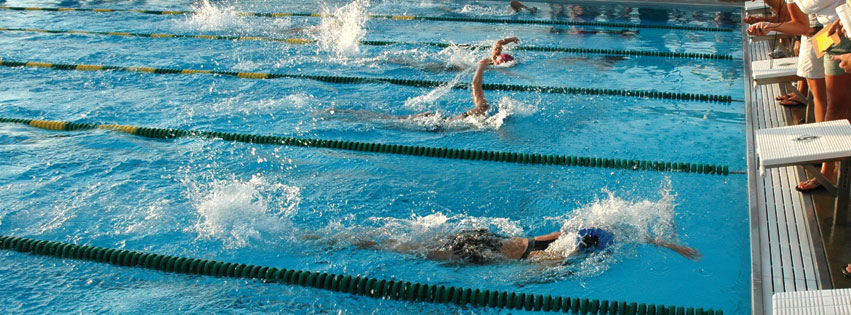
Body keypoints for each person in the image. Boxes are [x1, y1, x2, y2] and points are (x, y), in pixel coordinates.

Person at [748, 0, 851, 192]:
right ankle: (829, 167)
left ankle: (829, 171)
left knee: (837, 107)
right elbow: (802, 25)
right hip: (829, 36)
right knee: (836, 105)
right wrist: (770, 26)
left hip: (842, 34)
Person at [371, 227, 701, 265]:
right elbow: (527, 276)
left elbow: (629, 231)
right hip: (481, 253)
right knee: (403, 251)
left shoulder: (567, 232)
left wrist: (671, 245)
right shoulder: (561, 255)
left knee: (405, 243)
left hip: (485, 236)